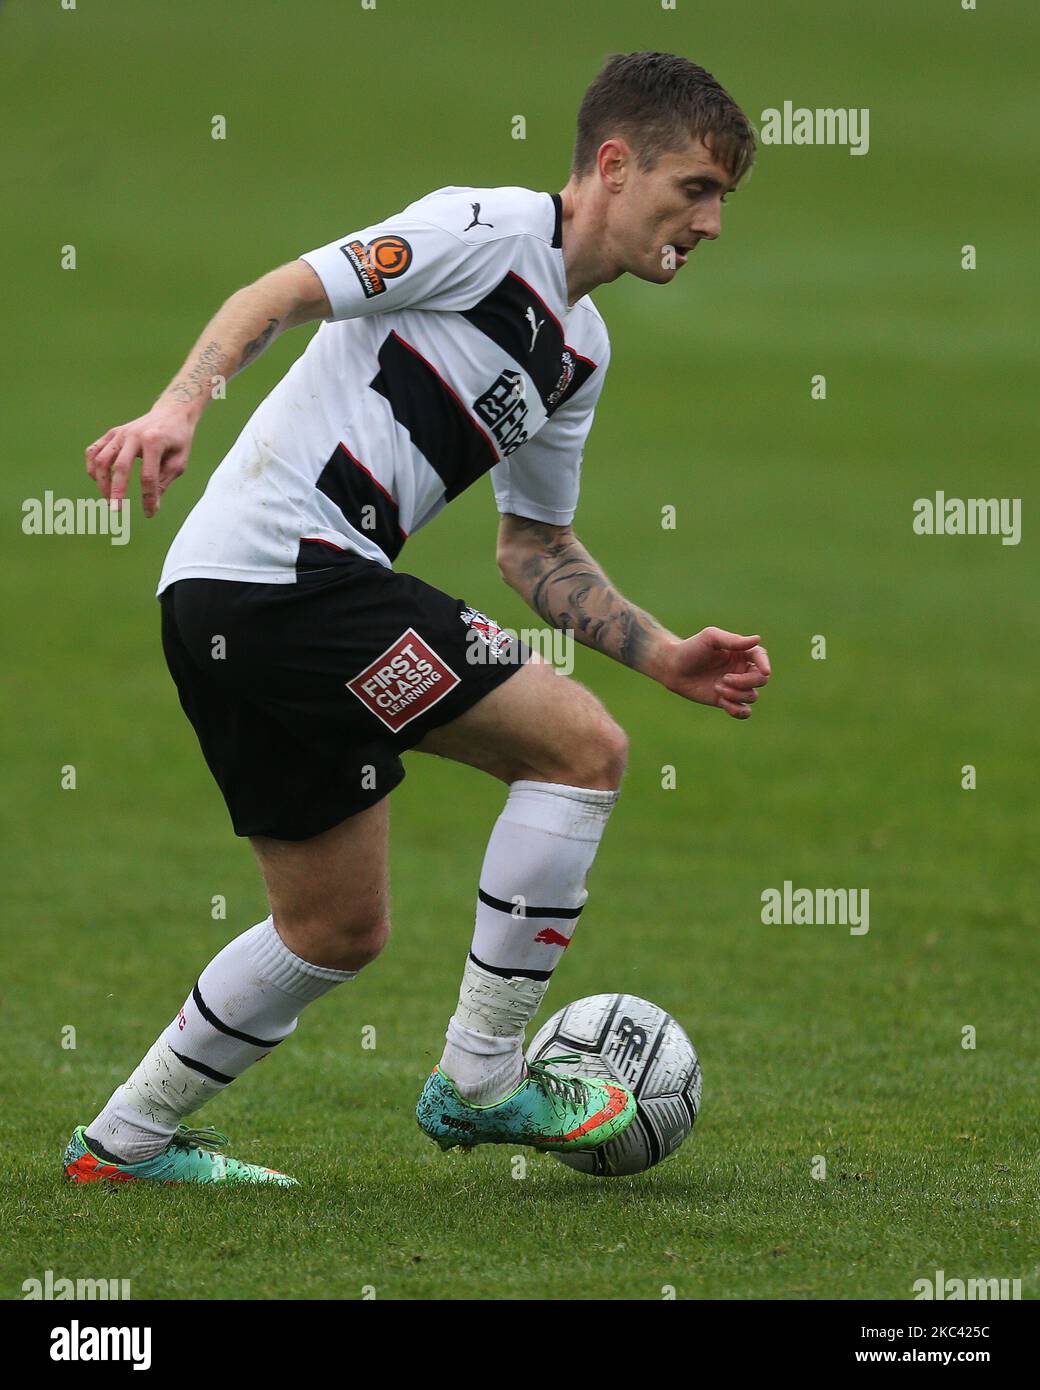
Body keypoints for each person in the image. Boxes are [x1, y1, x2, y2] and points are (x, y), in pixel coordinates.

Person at [66, 52, 769, 1185]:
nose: (712, 221)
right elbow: (278, 293)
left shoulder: (578, 352)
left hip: (230, 604)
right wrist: (176, 403)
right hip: (284, 575)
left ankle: (122, 1146)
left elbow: (531, 548)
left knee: (333, 929)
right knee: (579, 751)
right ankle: (483, 1075)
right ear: (611, 163)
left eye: (723, 198)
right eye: (694, 188)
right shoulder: (481, 228)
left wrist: (660, 651)